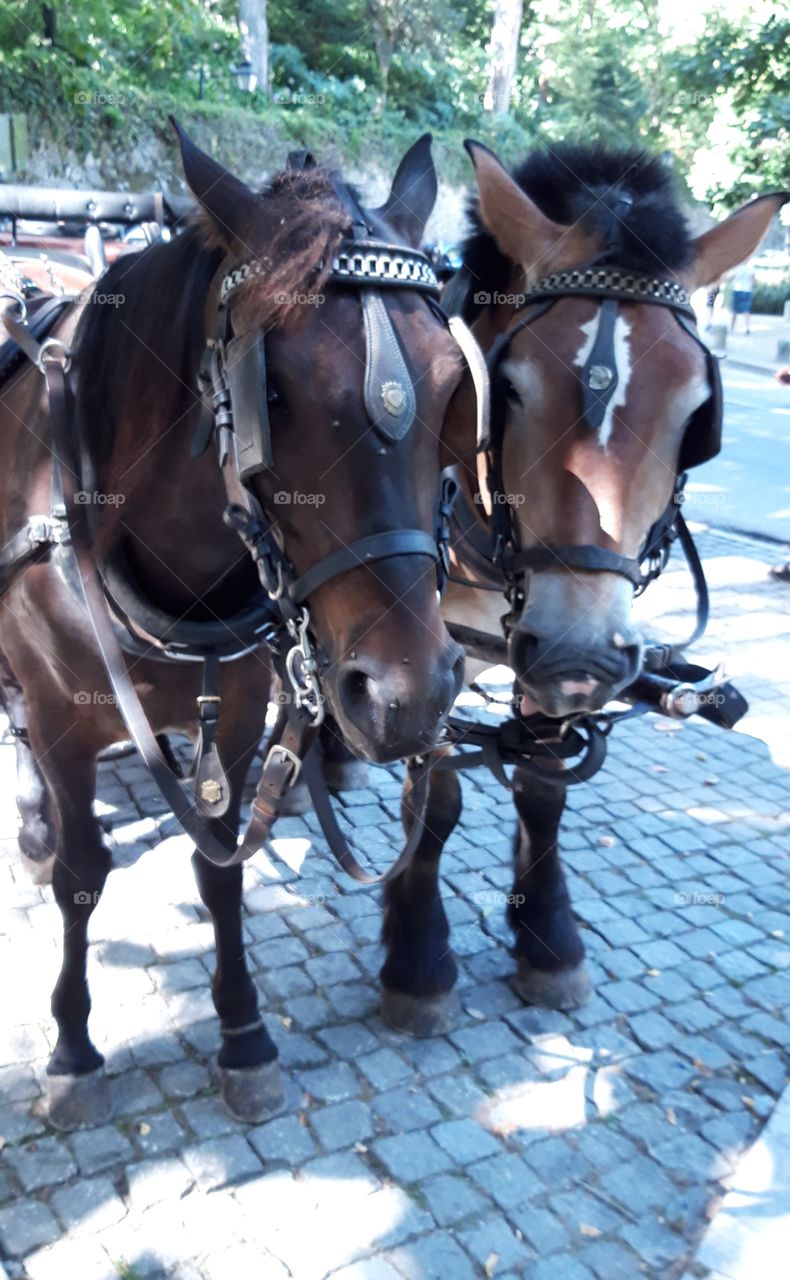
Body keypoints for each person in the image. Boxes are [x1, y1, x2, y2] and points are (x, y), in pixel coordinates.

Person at [730, 259, 755, 334]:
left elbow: (732, 278)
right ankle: (747, 327)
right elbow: (753, 281)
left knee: (734, 310)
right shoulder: (750, 269)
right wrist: (752, 289)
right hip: (747, 290)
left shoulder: (736, 268)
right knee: (746, 310)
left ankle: (732, 327)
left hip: (737, 290)